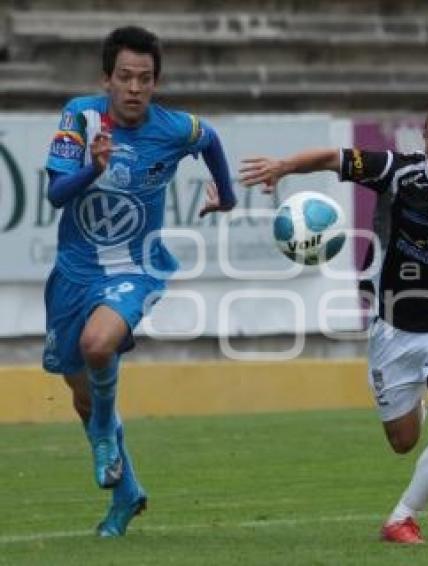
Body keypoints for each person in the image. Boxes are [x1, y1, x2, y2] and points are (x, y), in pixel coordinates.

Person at [240, 95, 428, 544]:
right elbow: (332, 158)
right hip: (394, 328)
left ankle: (401, 518)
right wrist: (284, 167)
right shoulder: (398, 172)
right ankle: (418, 401)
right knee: (402, 442)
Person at [42, 26, 236, 537]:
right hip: (73, 272)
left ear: (156, 82)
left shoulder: (174, 128)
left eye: (144, 79)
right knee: (81, 393)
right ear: (107, 78)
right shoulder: (80, 116)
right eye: (124, 77)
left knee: (98, 344)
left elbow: (210, 138)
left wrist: (229, 197)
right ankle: (126, 494)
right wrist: (94, 168)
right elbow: (57, 195)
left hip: (138, 265)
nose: (134, 88)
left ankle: (106, 433)